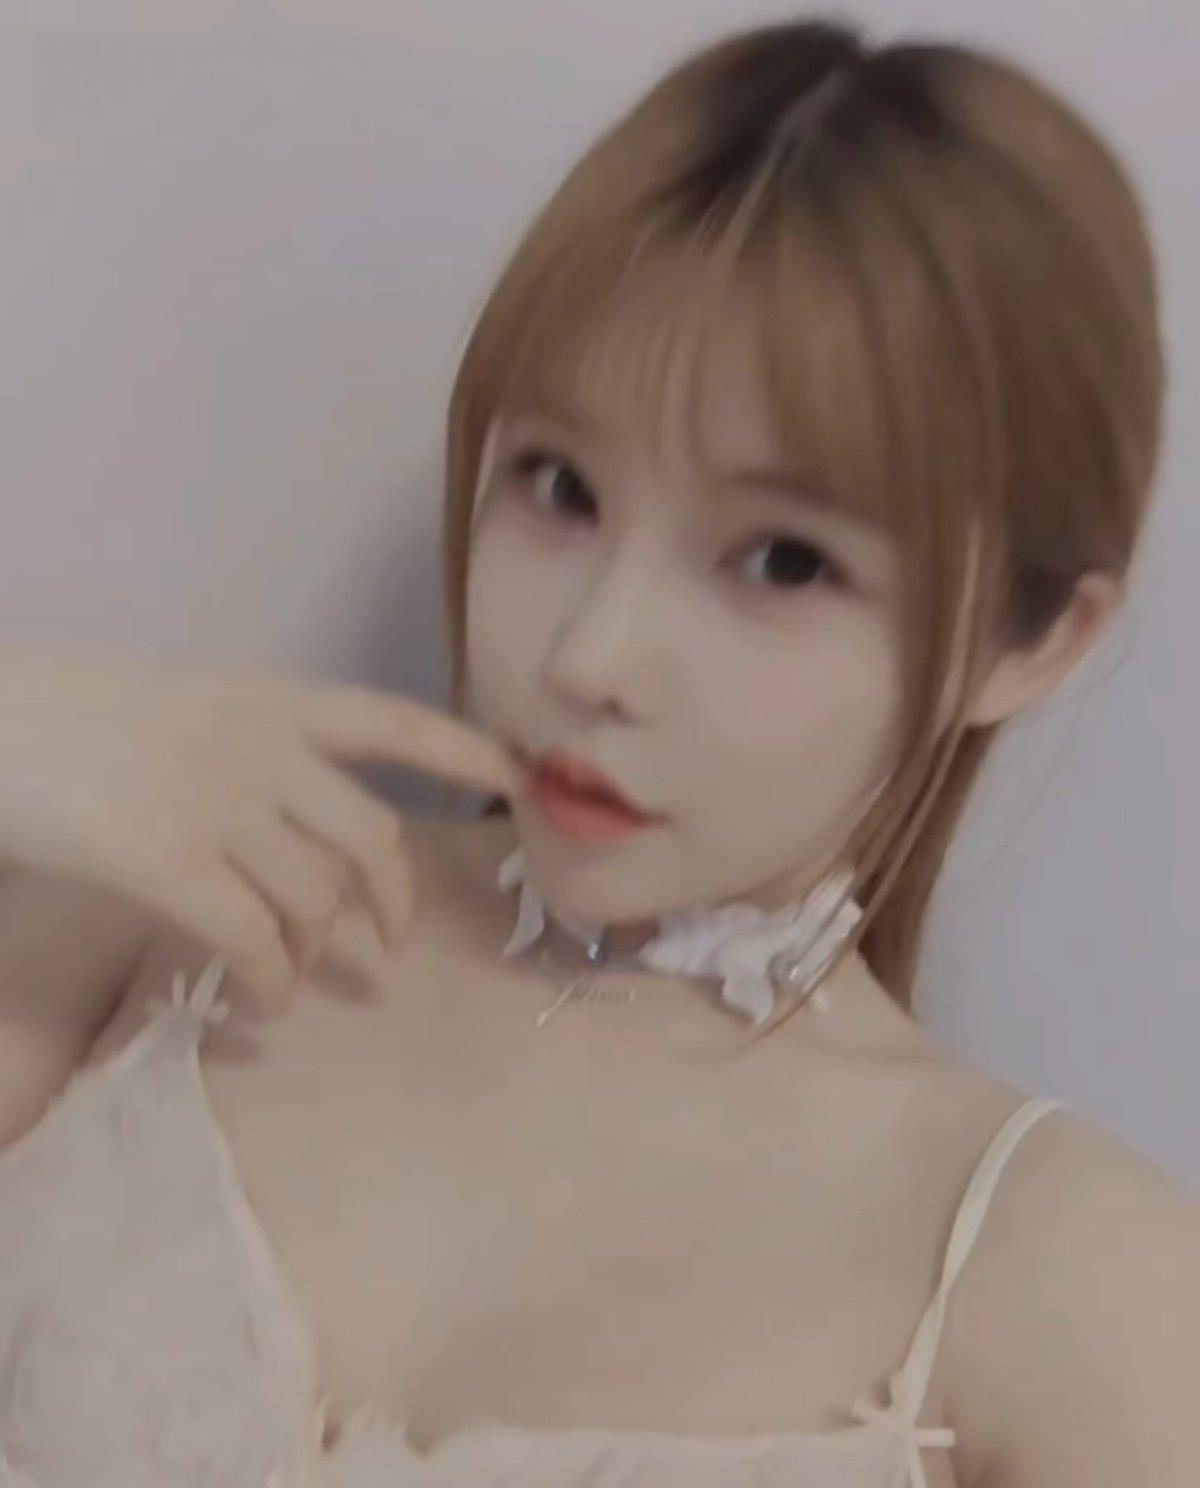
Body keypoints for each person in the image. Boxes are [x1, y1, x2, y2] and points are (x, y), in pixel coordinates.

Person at [1, 15, 1197, 1488]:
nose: (590, 656)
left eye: (781, 561)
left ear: (1032, 642)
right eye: (558, 486)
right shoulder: (184, 897)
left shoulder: (1077, 1282)